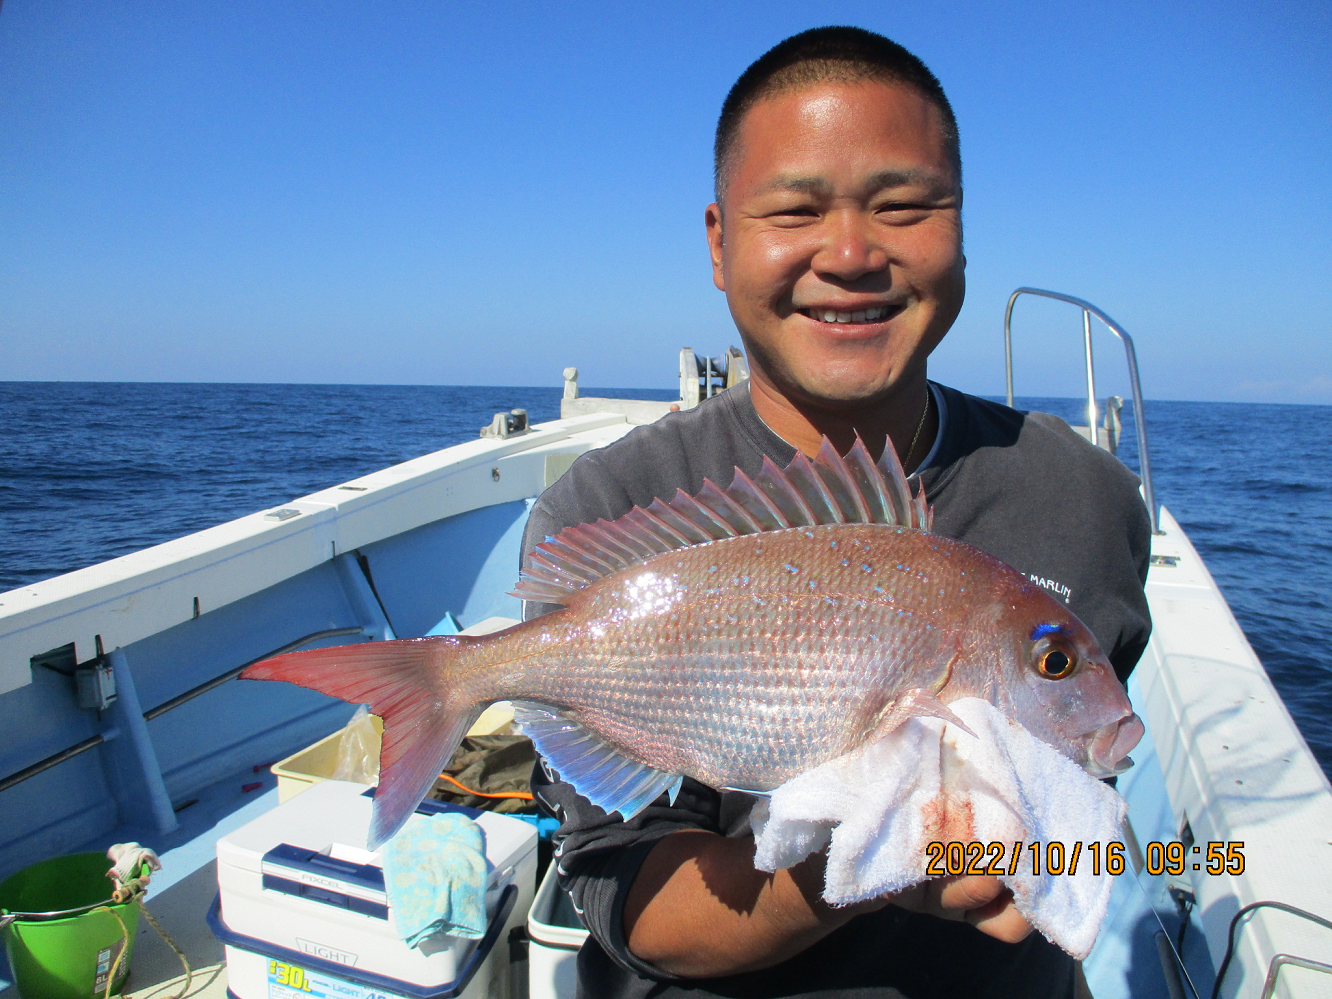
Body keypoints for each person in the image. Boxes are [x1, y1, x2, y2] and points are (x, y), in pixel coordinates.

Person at [520, 26, 1151, 999]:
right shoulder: (605, 510)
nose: (852, 253)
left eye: (904, 205)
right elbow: (624, 896)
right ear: (720, 243)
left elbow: (1079, 790)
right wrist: (854, 864)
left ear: (962, 229)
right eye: (794, 209)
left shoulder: (1087, 499)